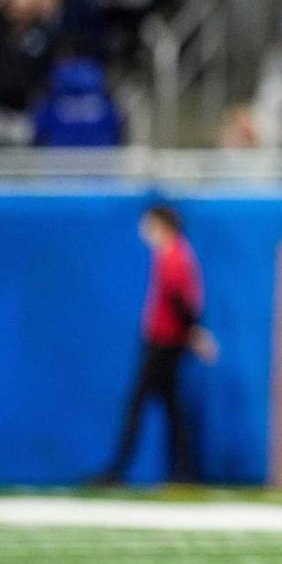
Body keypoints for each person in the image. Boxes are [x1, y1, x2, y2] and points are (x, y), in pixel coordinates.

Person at [97, 205, 218, 485]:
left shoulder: (174, 255)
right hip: (167, 339)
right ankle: (184, 473)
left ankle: (118, 470)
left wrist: (193, 333)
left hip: (164, 341)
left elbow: (180, 301)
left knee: (139, 405)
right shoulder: (174, 253)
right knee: (172, 408)